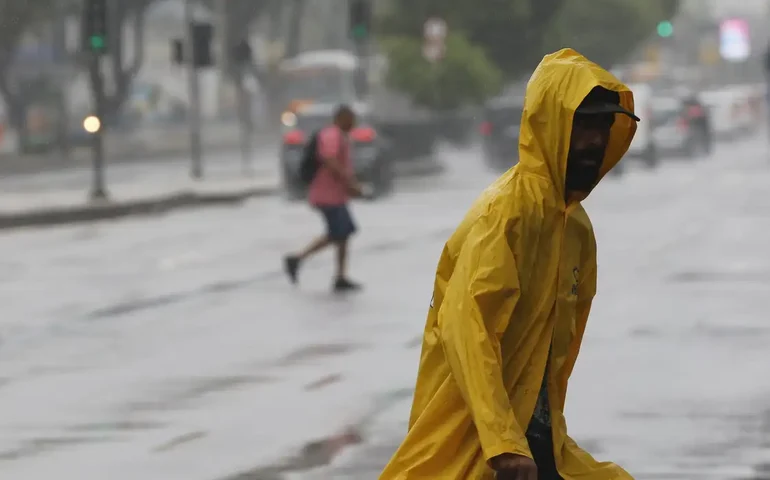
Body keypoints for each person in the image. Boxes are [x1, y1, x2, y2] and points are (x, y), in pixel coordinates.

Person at [378, 48, 640, 480]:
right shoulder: (506, 214)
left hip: (535, 443)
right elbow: (468, 326)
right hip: (474, 443)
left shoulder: (575, 230)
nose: (594, 141)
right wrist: (502, 442)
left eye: (601, 126)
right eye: (582, 126)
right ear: (550, 125)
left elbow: (552, 358)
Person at [284, 105, 363, 293]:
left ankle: (340, 276)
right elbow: (330, 159)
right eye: (351, 120)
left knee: (343, 233)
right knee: (339, 233)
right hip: (326, 195)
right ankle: (297, 259)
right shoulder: (332, 135)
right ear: (342, 118)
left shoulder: (338, 135)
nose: (353, 124)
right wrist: (349, 181)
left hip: (335, 195)